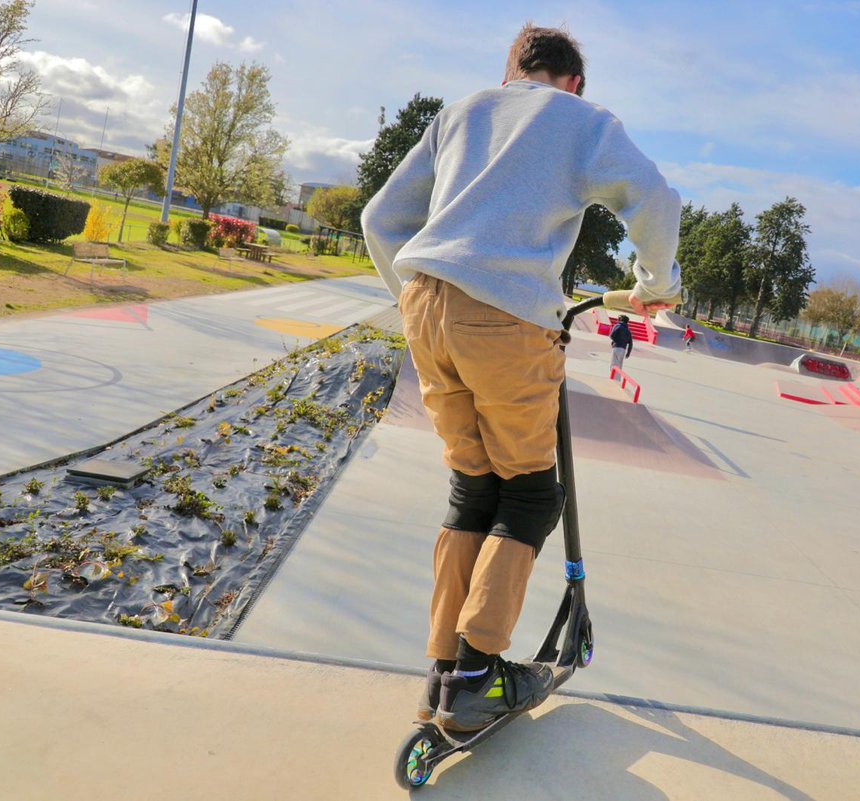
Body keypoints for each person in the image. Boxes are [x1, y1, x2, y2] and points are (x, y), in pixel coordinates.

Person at [362, 23, 681, 733]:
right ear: (573, 82)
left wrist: (415, 300)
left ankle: (444, 666)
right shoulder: (582, 118)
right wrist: (655, 282)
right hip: (506, 315)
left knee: (473, 483)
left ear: (513, 71)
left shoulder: (464, 111)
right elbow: (656, 199)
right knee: (532, 492)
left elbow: (379, 218)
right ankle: (477, 675)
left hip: (425, 303)